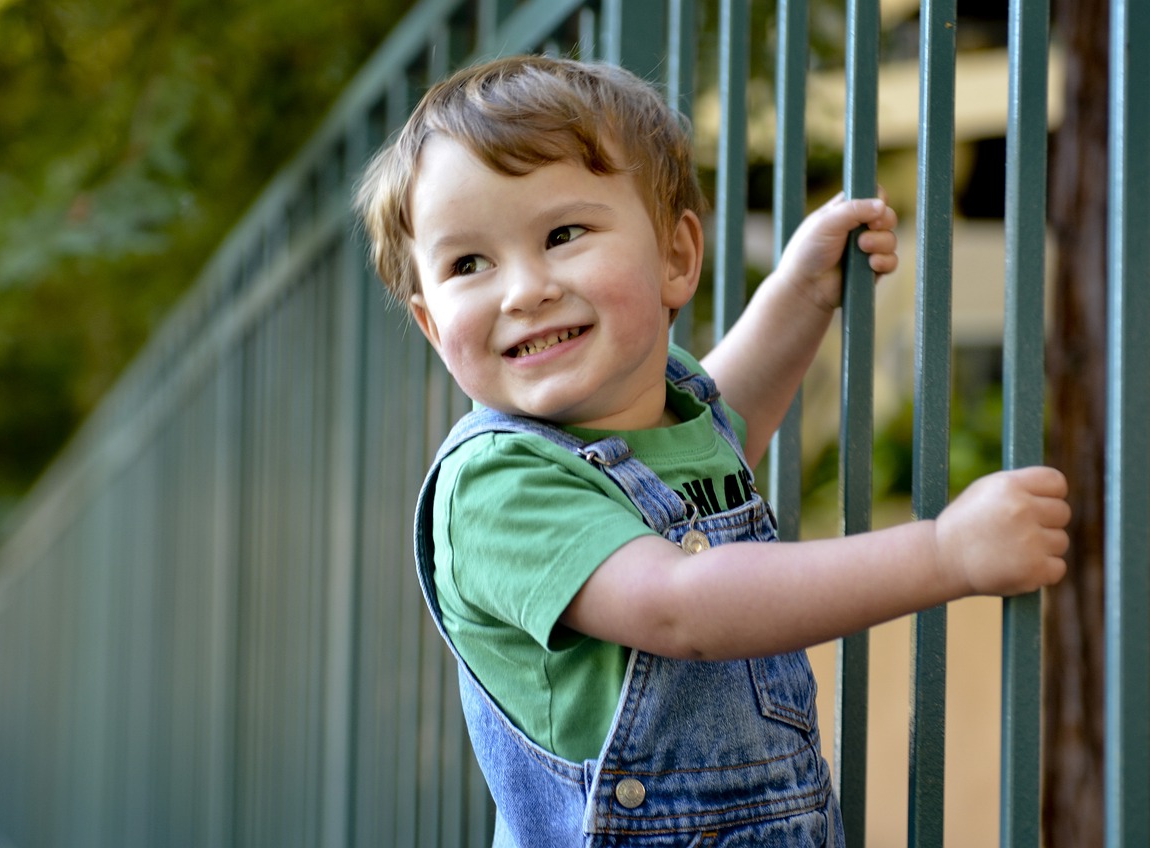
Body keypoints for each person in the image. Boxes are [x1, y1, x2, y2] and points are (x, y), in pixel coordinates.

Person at [355, 55, 1069, 847]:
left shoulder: (666, 409)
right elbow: (682, 603)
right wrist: (945, 554)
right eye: (468, 264)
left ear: (676, 259)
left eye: (562, 235)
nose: (524, 290)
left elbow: (728, 425)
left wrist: (801, 293)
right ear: (429, 322)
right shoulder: (496, 488)